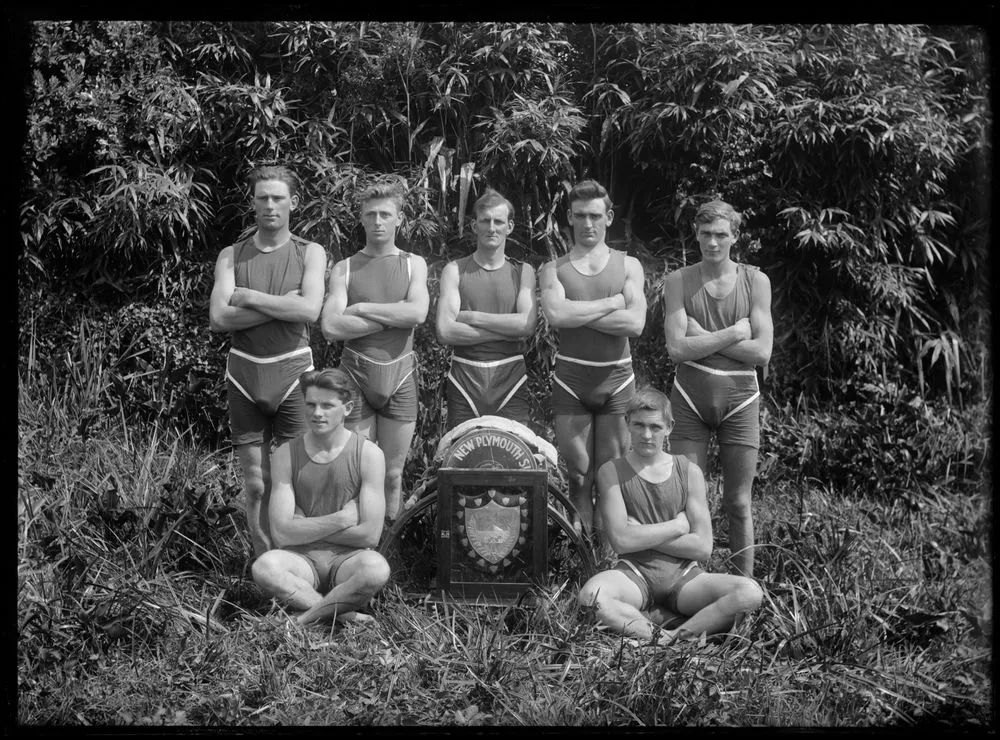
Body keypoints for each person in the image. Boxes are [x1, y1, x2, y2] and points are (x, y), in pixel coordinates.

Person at [577, 388, 763, 644]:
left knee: (749, 592)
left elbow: (702, 548)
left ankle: (672, 638)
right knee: (591, 597)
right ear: (626, 423)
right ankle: (660, 636)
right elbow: (622, 542)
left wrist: (640, 531)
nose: (646, 434)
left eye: (655, 427)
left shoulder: (689, 472)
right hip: (634, 573)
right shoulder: (611, 471)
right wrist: (676, 526)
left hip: (685, 577)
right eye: (639, 425)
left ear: (669, 427)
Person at [209, 165, 327, 558]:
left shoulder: (310, 252)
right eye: (263, 197)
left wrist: (252, 298)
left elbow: (310, 310)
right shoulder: (231, 255)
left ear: (293, 203)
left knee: (296, 478)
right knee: (257, 483)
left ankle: (302, 563)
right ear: (253, 202)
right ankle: (264, 567)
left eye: (278, 197)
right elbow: (219, 318)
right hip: (245, 374)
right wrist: (284, 306)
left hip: (293, 371)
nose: (270, 205)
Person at [661, 200, 773, 577]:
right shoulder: (678, 281)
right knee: (689, 501)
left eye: (721, 235)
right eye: (706, 234)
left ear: (735, 237)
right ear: (696, 233)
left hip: (740, 400)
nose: (712, 242)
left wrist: (702, 337)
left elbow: (761, 352)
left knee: (738, 502)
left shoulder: (756, 281)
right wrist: (732, 333)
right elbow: (676, 348)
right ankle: (689, 587)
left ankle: (743, 593)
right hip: (690, 397)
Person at [539, 180, 647, 535]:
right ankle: (579, 555)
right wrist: (612, 303)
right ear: (569, 217)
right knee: (578, 474)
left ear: (609, 217)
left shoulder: (629, 266)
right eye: (581, 216)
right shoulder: (552, 269)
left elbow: (634, 323)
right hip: (572, 380)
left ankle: (608, 556)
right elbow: (557, 317)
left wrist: (578, 309)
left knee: (610, 473)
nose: (588, 224)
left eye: (596, 216)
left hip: (617, 379)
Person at [321, 179, 429, 522]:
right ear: (362, 219)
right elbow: (332, 327)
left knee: (393, 475)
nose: (378, 221)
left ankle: (389, 554)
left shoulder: (415, 264)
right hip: (355, 376)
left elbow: (417, 314)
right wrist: (393, 315)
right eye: (371, 214)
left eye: (385, 214)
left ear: (399, 218)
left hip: (400, 375)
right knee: (356, 471)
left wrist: (362, 309)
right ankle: (357, 549)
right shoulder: (345, 268)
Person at [252, 368, 390, 625]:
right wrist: (341, 519)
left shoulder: (369, 454)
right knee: (264, 567)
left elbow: (369, 535)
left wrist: (303, 526)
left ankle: (303, 619)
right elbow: (281, 534)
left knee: (376, 568)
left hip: (348, 561)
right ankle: (345, 614)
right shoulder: (284, 454)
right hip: (300, 561)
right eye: (311, 405)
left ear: (347, 408)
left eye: (327, 405)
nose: (317, 413)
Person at [436, 189, 537, 430]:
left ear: (509, 226)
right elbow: (445, 332)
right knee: (461, 457)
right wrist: (507, 331)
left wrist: (472, 317)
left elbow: (527, 326)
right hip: (465, 376)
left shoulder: (523, 271)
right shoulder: (455, 270)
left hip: (510, 376)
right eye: (485, 221)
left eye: (499, 221)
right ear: (474, 225)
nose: (492, 228)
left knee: (513, 458)